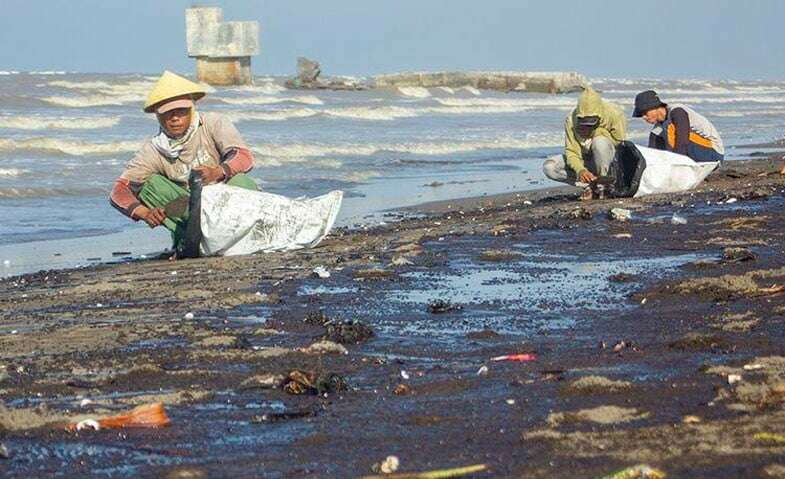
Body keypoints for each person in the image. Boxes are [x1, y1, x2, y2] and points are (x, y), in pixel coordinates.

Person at [110, 71, 257, 250]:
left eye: (181, 111)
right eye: (168, 113)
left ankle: (245, 233)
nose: (175, 118)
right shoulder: (154, 149)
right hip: (189, 210)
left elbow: (244, 157)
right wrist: (145, 213)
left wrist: (217, 172)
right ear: (158, 115)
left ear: (192, 108)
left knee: (242, 181)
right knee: (149, 185)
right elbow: (119, 191)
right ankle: (186, 238)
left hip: (226, 202)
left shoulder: (213, 123)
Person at [543, 87, 627, 200]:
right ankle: (590, 185)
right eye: (584, 123)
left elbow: (620, 143)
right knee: (550, 167)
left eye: (590, 123)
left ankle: (605, 186)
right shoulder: (571, 120)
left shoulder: (615, 114)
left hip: (610, 164)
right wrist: (580, 170)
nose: (586, 127)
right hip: (586, 161)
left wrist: (597, 132)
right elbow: (571, 151)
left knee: (600, 142)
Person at [633, 90, 724, 163]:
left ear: (655, 107)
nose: (644, 117)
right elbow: (652, 151)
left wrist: (676, 163)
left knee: (671, 130)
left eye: (645, 113)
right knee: (656, 134)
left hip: (713, 153)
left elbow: (682, 141)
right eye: (641, 115)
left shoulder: (677, 112)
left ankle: (680, 164)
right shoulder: (658, 128)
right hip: (692, 152)